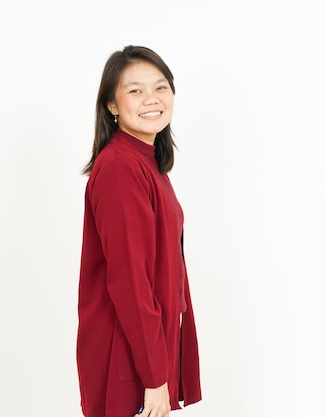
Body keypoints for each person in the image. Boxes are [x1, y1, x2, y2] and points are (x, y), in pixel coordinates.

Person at [76, 45, 202, 417]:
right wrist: (155, 378)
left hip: (145, 350)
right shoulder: (120, 168)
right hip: (126, 356)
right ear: (112, 105)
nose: (152, 99)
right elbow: (131, 282)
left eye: (161, 87)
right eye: (135, 90)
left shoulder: (147, 163)